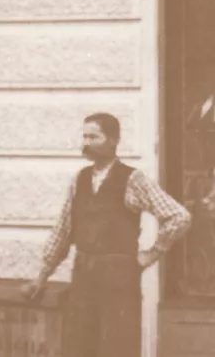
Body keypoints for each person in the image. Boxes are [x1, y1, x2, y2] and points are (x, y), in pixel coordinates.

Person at [21, 112, 192, 357]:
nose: (87, 143)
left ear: (113, 140)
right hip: (83, 278)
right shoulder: (79, 180)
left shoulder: (133, 179)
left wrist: (153, 253)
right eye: (84, 137)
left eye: (94, 137)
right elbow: (63, 232)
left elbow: (179, 216)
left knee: (116, 346)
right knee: (79, 346)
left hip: (119, 281)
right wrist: (41, 277)